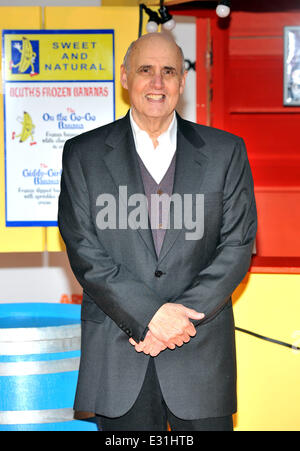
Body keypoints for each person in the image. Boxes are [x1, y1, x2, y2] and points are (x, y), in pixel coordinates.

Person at [58, 32, 257, 431]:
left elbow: (237, 245)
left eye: (169, 71)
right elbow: (83, 250)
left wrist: (174, 321)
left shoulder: (226, 151)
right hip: (119, 358)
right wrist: (150, 316)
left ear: (182, 83)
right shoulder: (83, 155)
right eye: (145, 70)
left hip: (199, 357)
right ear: (125, 77)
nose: (157, 82)